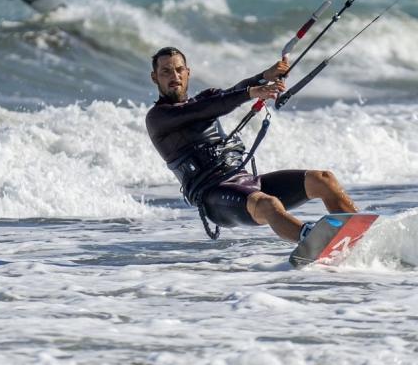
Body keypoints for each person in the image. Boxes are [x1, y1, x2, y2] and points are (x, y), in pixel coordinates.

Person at [146, 46, 358, 243]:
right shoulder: (158, 117)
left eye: (179, 69)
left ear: (188, 72)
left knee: (323, 180)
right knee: (269, 204)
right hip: (213, 196)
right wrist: (250, 93)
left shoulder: (205, 98)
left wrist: (264, 77)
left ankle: (359, 234)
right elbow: (206, 109)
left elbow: (229, 93)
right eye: (166, 71)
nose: (174, 76)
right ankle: (314, 242)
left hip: (245, 181)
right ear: (155, 78)